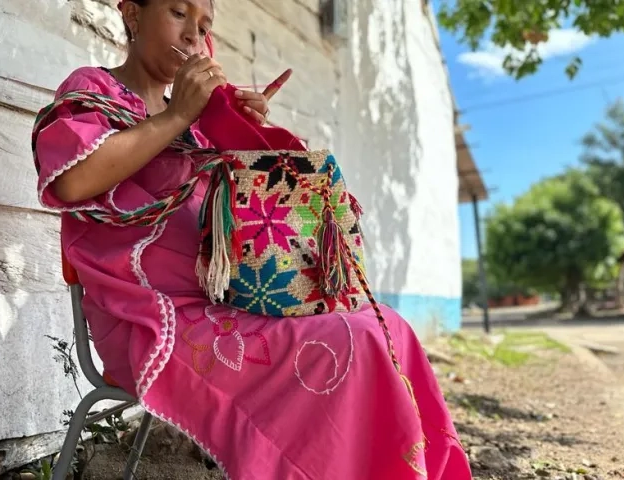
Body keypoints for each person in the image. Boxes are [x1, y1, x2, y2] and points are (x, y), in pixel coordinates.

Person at [33, 0, 471, 478]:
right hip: (146, 316)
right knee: (355, 338)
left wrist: (244, 131)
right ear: (132, 14)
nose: (191, 36)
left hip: (226, 301)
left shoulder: (198, 123)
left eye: (203, 26)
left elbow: (249, 219)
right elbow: (72, 182)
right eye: (178, 13)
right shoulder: (92, 88)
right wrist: (178, 116)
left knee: (387, 328)